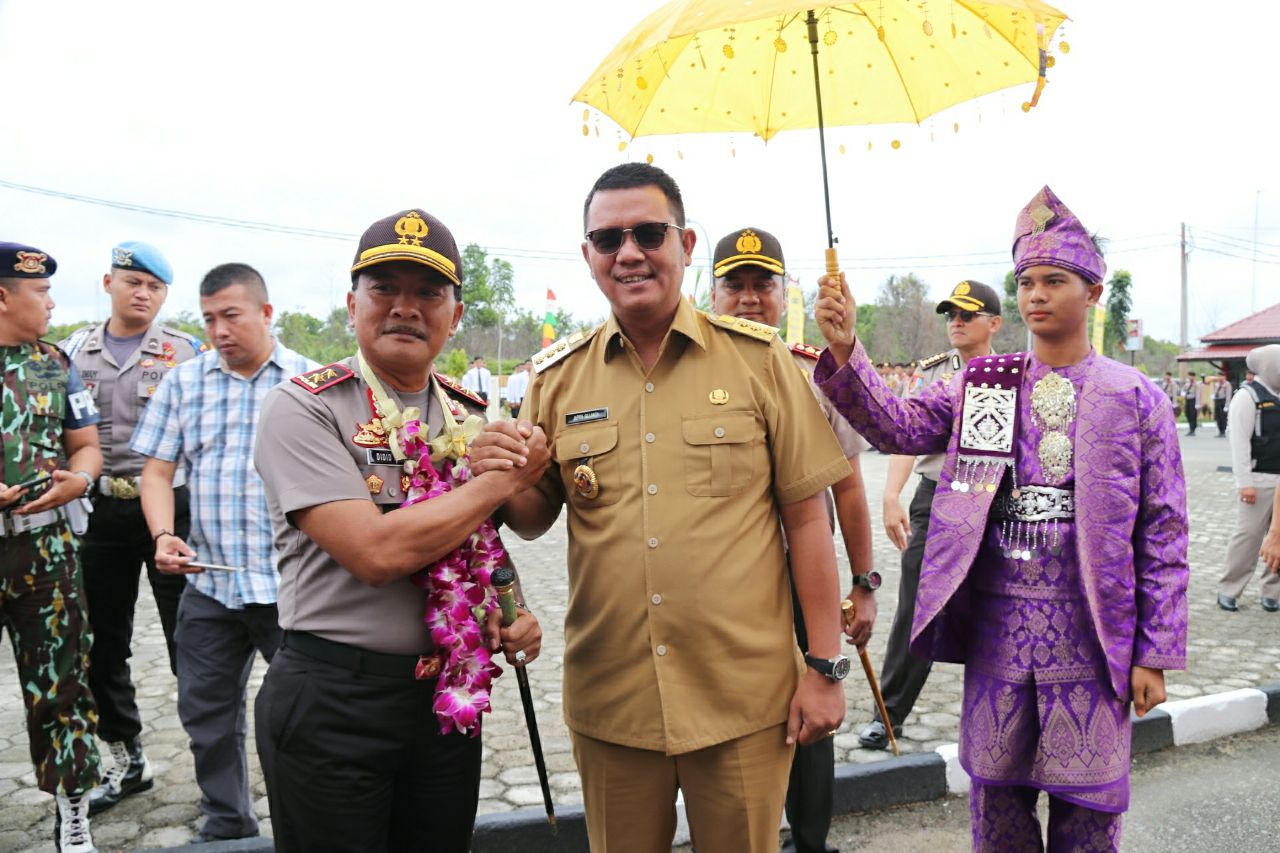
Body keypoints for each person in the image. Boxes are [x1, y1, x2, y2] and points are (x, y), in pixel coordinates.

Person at [813, 186, 1189, 851]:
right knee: (997, 817)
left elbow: (1163, 529)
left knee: (1089, 824)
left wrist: (1154, 653)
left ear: (1093, 292)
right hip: (1000, 633)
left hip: (1095, 634)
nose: (1036, 295)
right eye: (1026, 282)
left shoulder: (1137, 397)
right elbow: (898, 427)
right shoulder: (986, 384)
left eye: (1054, 280)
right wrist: (847, 349)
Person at [499, 164, 851, 853]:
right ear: (588, 256)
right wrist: (496, 473)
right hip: (614, 700)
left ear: (686, 244)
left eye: (648, 233)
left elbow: (808, 520)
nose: (628, 252)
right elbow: (534, 516)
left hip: (743, 700)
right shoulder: (557, 378)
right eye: (608, 239)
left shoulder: (759, 361)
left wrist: (825, 668)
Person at [252, 209, 545, 853]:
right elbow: (376, 553)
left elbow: (488, 537)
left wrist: (511, 611)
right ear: (352, 303)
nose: (405, 308)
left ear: (455, 316)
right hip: (335, 700)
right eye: (384, 288)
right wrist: (498, 482)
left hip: (444, 699)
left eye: (428, 293)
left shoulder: (467, 414)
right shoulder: (305, 407)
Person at [129, 263, 315, 842]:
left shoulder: (312, 383)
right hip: (209, 583)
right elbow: (155, 473)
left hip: (294, 588)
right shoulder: (183, 384)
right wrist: (163, 534)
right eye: (209, 319)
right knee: (205, 713)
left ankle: (311, 826)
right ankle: (228, 823)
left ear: (266, 313)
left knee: (305, 718)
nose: (219, 331)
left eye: (231, 316)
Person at [709, 226, 876, 853]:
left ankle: (809, 841)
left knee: (810, 722)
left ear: (785, 295)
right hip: (724, 586)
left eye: (764, 285)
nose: (750, 299)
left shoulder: (817, 375)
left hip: (803, 577)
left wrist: (864, 583)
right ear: (712, 294)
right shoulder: (687, 372)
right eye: (736, 285)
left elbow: (850, 490)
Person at [58, 242, 206, 813]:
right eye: (132, 282)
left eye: (154, 286)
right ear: (108, 283)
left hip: (172, 511)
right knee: (101, 644)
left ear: (165, 295)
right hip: (100, 513)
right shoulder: (73, 352)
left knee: (190, 641)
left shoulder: (185, 352)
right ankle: (126, 758)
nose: (143, 294)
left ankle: (212, 765)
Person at [860, 280, 1004, 752]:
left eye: (967, 314)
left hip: (993, 501)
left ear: (994, 323)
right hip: (936, 498)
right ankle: (888, 713)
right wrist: (891, 495)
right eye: (950, 315)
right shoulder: (933, 374)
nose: (956, 323)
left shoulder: (1014, 375)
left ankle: (999, 715)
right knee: (916, 608)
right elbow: (908, 434)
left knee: (997, 607)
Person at [0, 242, 104, 853]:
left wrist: (81, 479)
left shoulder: (53, 364)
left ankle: (73, 817)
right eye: (40, 292)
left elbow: (85, 444)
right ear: (3, 296)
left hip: (45, 550)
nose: (51, 303)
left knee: (62, 686)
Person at [1217, 344, 1280, 613]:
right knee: (1248, 537)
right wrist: (1245, 483)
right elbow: (1239, 444)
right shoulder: (1247, 396)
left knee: (1278, 539)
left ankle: (1272, 592)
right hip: (1258, 480)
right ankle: (1229, 589)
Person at [1213, 371, 1232, 437]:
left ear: (1223, 377)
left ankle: (1223, 431)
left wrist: (1227, 405)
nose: (1218, 377)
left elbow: (1228, 395)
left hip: (1223, 401)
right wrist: (1214, 396)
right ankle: (1220, 431)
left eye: (1219, 376)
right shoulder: (1217, 384)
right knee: (1218, 417)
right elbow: (1215, 392)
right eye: (1217, 376)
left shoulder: (1227, 384)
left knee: (1223, 417)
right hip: (1217, 401)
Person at [1181, 370, 1201, 435]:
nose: (1190, 377)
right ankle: (1191, 428)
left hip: (1193, 401)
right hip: (1187, 400)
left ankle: (1192, 429)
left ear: (1194, 377)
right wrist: (1183, 393)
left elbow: (1198, 394)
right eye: (1189, 376)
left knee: (1193, 415)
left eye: (1192, 376)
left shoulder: (1196, 384)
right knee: (1187, 414)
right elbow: (1183, 390)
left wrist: (1197, 403)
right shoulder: (1187, 384)